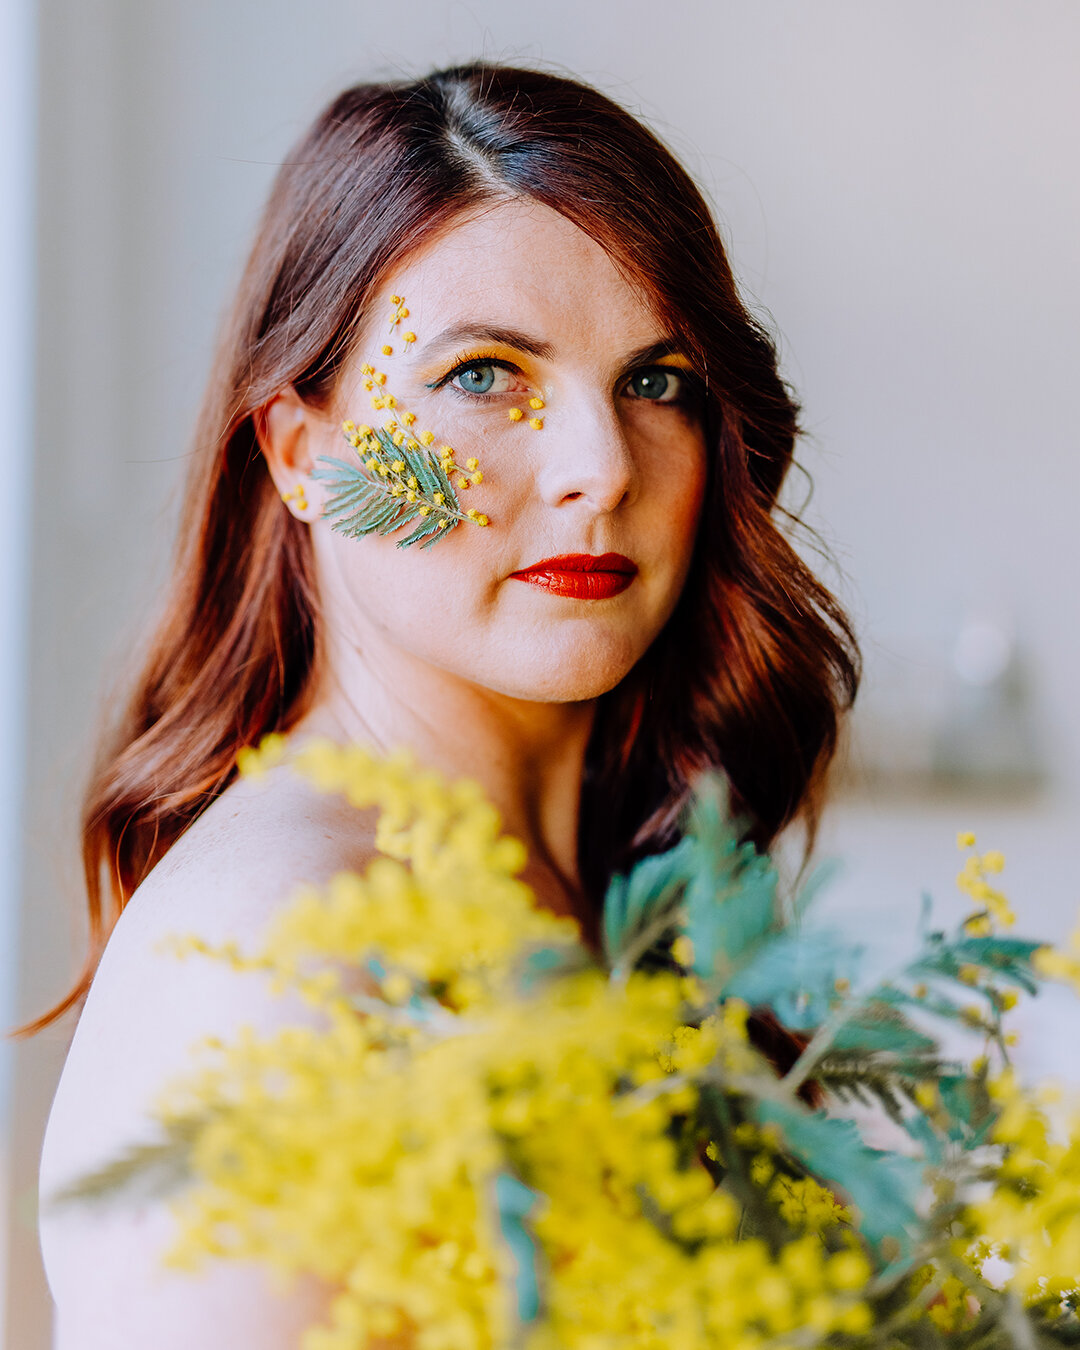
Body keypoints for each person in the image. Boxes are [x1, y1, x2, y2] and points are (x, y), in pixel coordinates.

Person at [34, 62, 859, 1347]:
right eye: (483, 376)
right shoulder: (274, 961)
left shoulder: (625, 881)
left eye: (656, 381)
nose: (597, 471)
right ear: (301, 451)